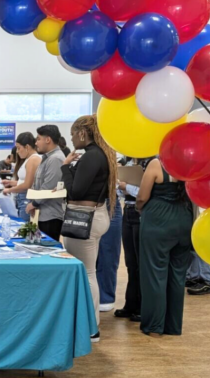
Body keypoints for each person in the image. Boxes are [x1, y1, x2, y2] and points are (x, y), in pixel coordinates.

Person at [60, 114, 116, 342]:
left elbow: (76, 191)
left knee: (87, 272)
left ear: (82, 132)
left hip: (85, 217)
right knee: (88, 271)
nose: (72, 139)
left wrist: (66, 168)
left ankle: (90, 326)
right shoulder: (98, 155)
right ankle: (89, 323)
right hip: (94, 216)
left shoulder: (92, 157)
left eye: (73, 134)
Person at [136, 158, 194, 337]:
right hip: (184, 219)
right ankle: (173, 326)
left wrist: (140, 209)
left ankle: (154, 326)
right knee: (178, 276)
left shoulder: (157, 164)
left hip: (158, 221)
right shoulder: (189, 163)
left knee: (154, 274)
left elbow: (142, 197)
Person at [114, 158, 152, 323]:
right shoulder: (130, 163)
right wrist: (121, 187)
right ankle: (131, 303)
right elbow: (123, 192)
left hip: (141, 212)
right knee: (130, 262)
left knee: (140, 262)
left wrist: (126, 187)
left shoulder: (152, 163)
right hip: (128, 210)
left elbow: (146, 192)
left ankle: (142, 306)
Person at [25, 125, 65, 241]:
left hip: (50, 217)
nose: (36, 143)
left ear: (48, 140)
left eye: (38, 139)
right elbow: (37, 185)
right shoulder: (47, 158)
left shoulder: (55, 159)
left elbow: (48, 187)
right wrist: (34, 203)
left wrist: (33, 204)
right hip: (41, 214)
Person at [97, 155, 124, 314]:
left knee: (109, 254)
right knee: (94, 255)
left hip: (111, 203)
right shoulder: (89, 156)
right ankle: (97, 295)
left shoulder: (114, 160)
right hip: (96, 204)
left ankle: (106, 296)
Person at [3, 132, 41, 220]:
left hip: (26, 199)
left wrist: (9, 189)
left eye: (18, 148)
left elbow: (27, 185)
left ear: (27, 147)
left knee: (23, 226)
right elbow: (26, 181)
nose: (17, 151)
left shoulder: (33, 159)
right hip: (23, 198)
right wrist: (11, 182)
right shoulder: (29, 159)